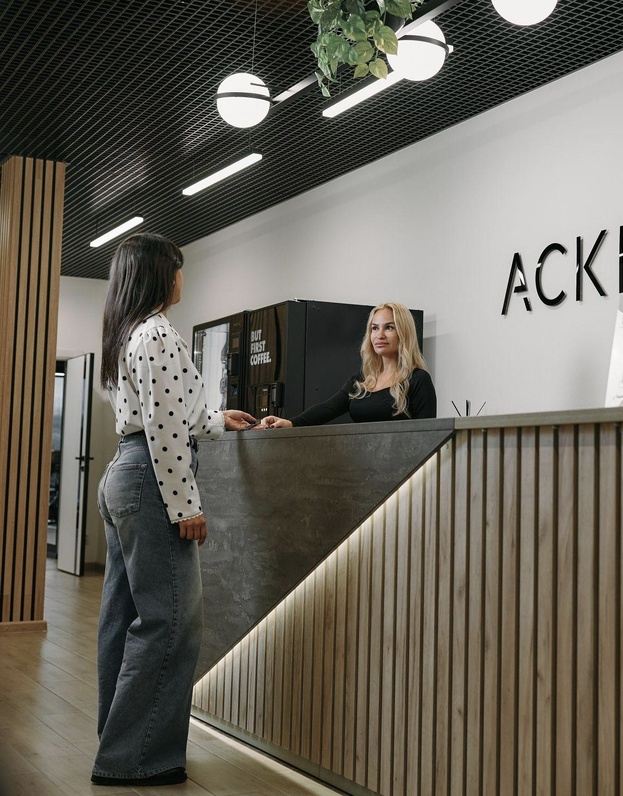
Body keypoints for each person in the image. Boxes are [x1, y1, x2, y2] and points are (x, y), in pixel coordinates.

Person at [93, 233, 256, 787]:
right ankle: (135, 758)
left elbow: (162, 412)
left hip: (126, 472)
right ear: (160, 274)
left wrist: (216, 418)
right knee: (171, 621)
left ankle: (117, 742)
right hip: (151, 477)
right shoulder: (158, 333)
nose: (184, 276)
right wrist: (186, 505)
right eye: (178, 267)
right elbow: (163, 429)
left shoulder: (127, 333)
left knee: (122, 619)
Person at [258, 302, 436, 428]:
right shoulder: (362, 380)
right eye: (374, 328)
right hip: (361, 463)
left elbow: (428, 437)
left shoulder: (418, 380)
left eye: (389, 327)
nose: (379, 335)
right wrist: (291, 423)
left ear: (404, 333)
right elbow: (328, 408)